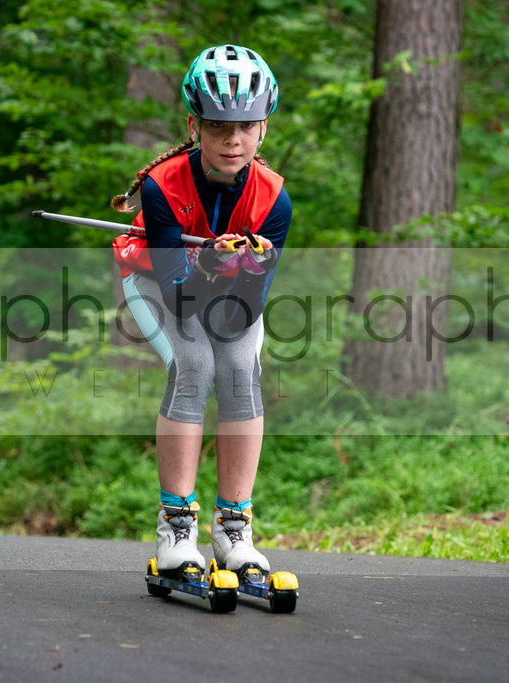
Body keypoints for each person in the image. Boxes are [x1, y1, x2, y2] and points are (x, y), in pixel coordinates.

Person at [111, 45, 291, 580]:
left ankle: (233, 527)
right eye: (217, 126)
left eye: (245, 126)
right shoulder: (161, 187)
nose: (231, 140)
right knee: (194, 366)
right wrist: (210, 266)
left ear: (263, 129)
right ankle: (176, 527)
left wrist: (253, 272)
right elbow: (181, 300)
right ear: (194, 125)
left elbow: (241, 318)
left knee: (239, 371)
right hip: (156, 283)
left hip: (231, 293)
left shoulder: (274, 200)